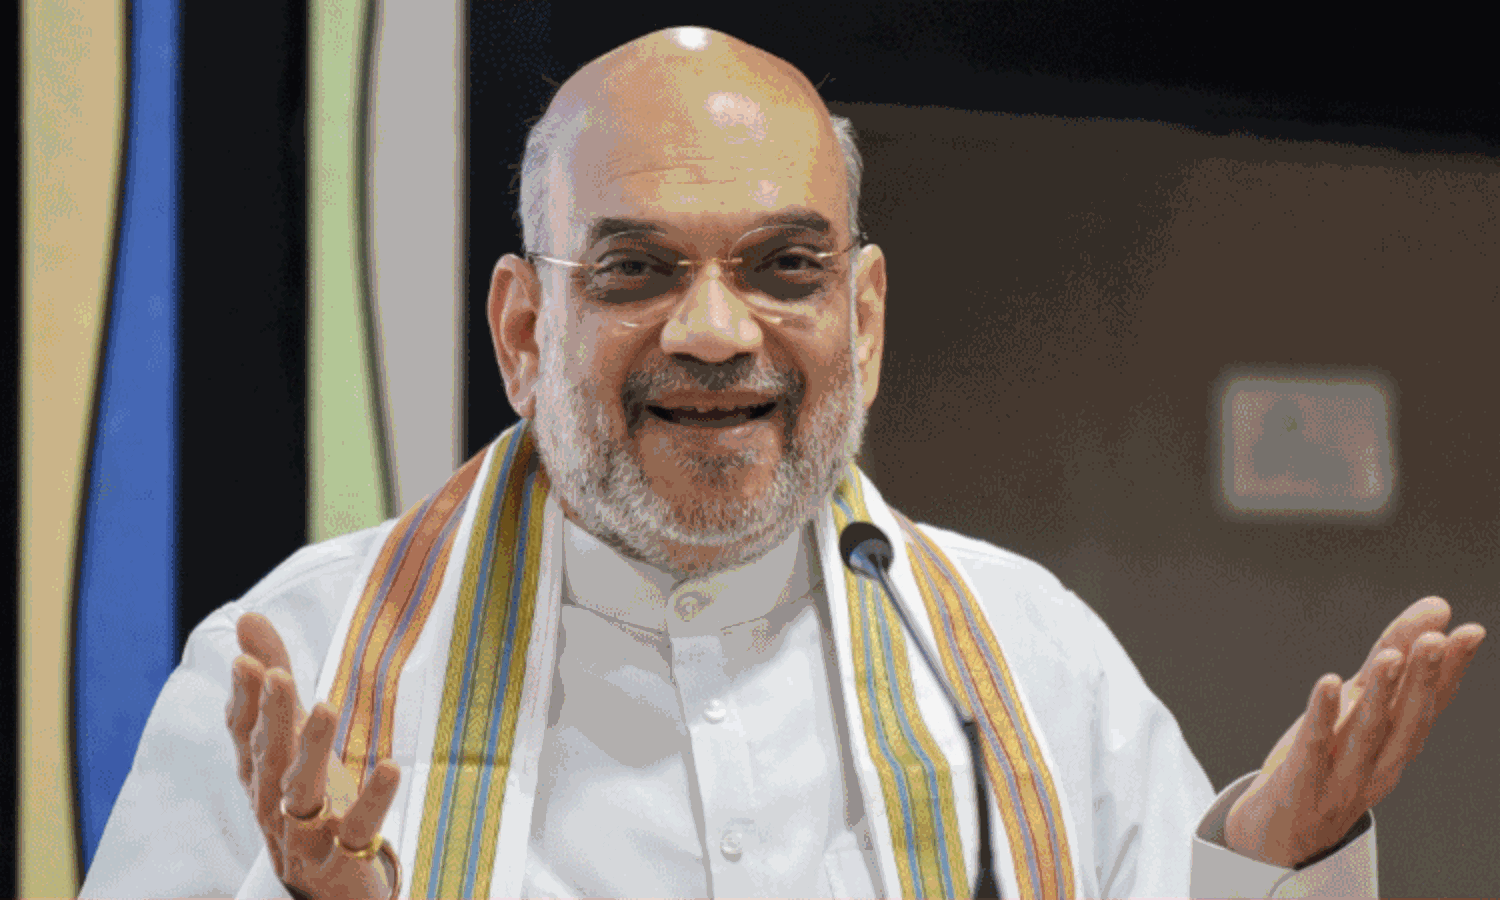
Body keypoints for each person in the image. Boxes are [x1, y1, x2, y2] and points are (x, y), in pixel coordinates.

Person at [81, 27, 1484, 900]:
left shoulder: (1032, 662)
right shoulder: (298, 670)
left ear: (861, 321)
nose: (714, 331)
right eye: (635, 268)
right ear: (522, 330)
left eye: (783, 268)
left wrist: (1273, 864)